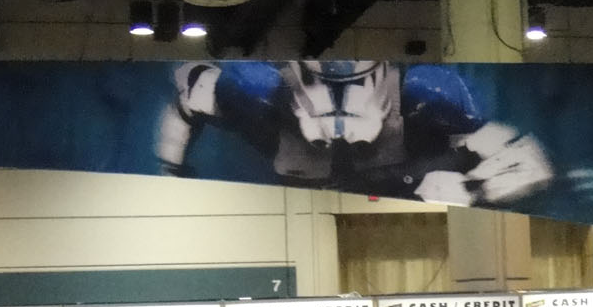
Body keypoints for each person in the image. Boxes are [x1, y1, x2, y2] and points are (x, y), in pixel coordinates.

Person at [155, 60, 555, 210]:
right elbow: (191, 97)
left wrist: (473, 189)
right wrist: (169, 170)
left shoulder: (425, 92)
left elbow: (530, 163)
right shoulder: (256, 89)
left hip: (398, 193)